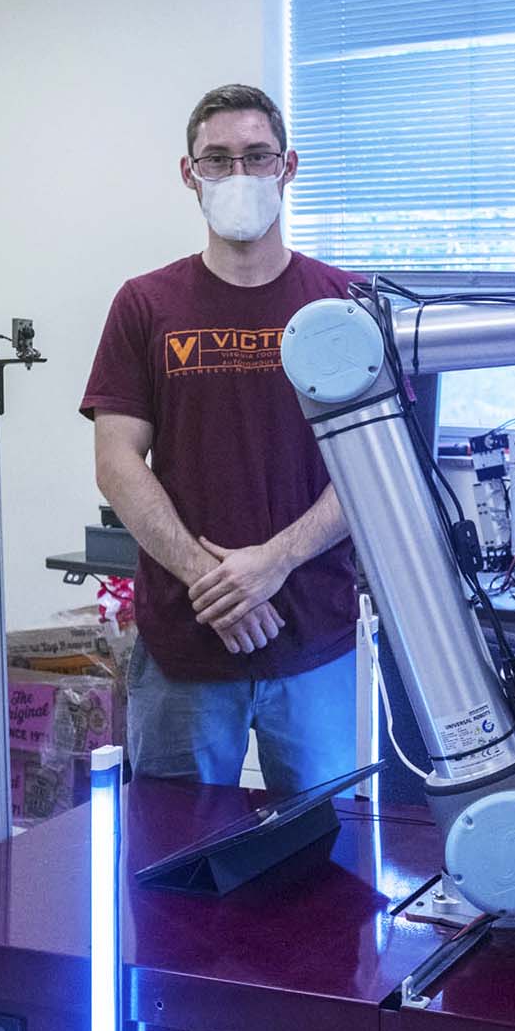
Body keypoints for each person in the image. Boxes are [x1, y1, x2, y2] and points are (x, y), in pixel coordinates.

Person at [81, 84, 358, 792]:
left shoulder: (343, 303)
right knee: (179, 864)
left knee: (325, 862)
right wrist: (217, 581)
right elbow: (116, 463)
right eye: (218, 159)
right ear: (189, 174)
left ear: (288, 167)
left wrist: (274, 560)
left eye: (257, 156)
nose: (239, 175)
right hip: (186, 644)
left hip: (314, 643)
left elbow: (373, 471)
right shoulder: (145, 305)